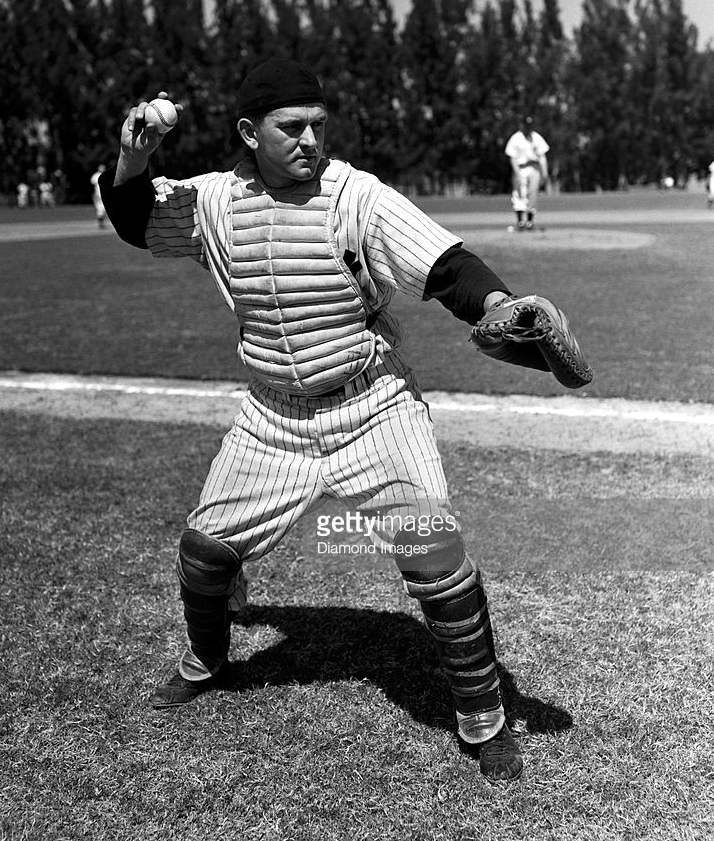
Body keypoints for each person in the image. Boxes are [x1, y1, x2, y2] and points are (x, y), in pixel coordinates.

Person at [100, 59, 536, 784]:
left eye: (319, 126)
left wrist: (496, 307)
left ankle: (483, 718)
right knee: (204, 554)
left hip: (372, 405)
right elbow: (137, 222)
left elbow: (448, 266)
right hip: (273, 416)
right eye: (291, 128)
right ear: (249, 132)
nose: (311, 140)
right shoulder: (213, 201)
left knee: (434, 560)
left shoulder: (355, 194)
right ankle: (208, 660)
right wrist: (135, 156)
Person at [504, 116, 550, 230]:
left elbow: (542, 156)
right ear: (522, 125)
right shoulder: (516, 138)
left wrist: (545, 172)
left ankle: (530, 221)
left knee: (532, 193)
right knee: (519, 193)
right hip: (521, 168)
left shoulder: (536, 137)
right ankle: (520, 221)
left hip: (534, 168)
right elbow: (512, 158)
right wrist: (517, 172)